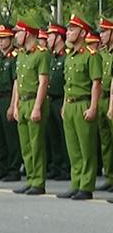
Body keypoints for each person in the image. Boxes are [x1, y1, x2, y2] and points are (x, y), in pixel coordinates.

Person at [58, 16, 102, 200]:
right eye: (68, 29)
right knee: (73, 148)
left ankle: (86, 185)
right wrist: (63, 105)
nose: (68, 33)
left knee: (86, 148)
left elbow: (96, 83)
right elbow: (67, 84)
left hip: (83, 103)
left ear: (83, 33)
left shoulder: (91, 55)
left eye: (72, 29)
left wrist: (93, 107)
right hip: (70, 104)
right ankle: (75, 183)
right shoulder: (70, 56)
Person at [10, 18, 50, 195]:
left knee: (36, 144)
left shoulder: (41, 54)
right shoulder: (21, 55)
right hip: (23, 101)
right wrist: (16, 105)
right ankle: (30, 177)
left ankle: (38, 181)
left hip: (34, 101)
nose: (15, 36)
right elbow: (18, 82)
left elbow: (43, 82)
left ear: (27, 33)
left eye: (18, 32)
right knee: (25, 145)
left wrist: (37, 107)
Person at [0, 25, 22, 182]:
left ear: (11, 39)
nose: (0, 42)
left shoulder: (14, 57)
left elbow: (16, 82)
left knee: (11, 136)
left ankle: (13, 169)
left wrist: (13, 105)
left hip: (9, 97)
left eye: (4, 38)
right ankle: (2, 167)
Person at [45, 23, 71, 181]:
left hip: (62, 99)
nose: (48, 39)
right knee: (53, 136)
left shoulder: (66, 57)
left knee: (64, 136)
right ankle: (57, 165)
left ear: (58, 37)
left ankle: (66, 168)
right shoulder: (52, 58)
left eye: (50, 36)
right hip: (51, 99)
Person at [97, 19, 113, 190]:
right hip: (102, 98)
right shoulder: (102, 53)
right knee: (105, 141)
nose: (101, 35)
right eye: (100, 32)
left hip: (111, 99)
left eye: (104, 32)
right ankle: (110, 177)